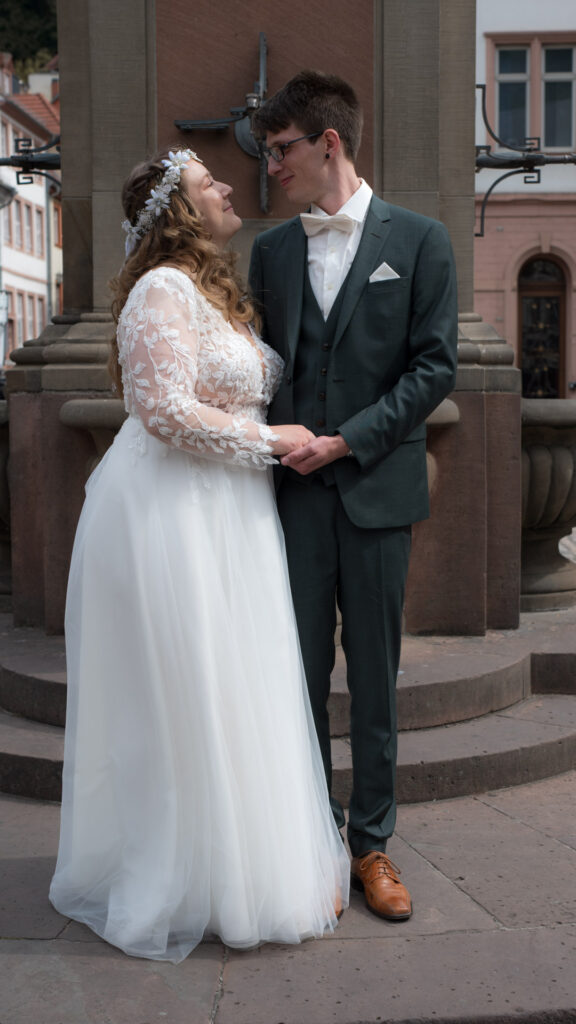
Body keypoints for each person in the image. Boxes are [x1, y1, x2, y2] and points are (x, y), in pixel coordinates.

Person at [49, 148, 350, 962]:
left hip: (232, 512)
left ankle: (243, 872)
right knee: (190, 697)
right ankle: (182, 879)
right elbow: (163, 411)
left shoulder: (215, 293)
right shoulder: (162, 289)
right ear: (177, 213)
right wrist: (270, 436)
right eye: (206, 183)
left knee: (238, 688)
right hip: (174, 514)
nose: (225, 187)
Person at [249, 71, 458, 921]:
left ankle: (372, 846)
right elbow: (261, 370)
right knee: (296, 681)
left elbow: (434, 366)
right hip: (292, 502)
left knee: (373, 681)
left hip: (376, 491)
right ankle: (311, 845)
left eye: (281, 150)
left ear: (328, 143)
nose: (271, 168)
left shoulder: (420, 241)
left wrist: (350, 437)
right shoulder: (269, 252)